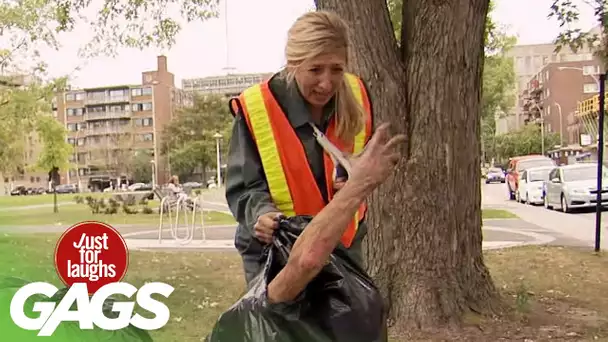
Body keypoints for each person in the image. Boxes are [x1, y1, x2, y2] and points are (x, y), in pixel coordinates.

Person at [225, 10, 381, 285]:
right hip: (276, 254)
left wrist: (356, 178)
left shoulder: (358, 96)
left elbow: (362, 160)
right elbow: (245, 189)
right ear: (294, 64)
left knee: (348, 327)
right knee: (283, 329)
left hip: (342, 247)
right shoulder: (257, 108)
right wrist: (261, 214)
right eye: (315, 70)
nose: (326, 83)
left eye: (336, 69)